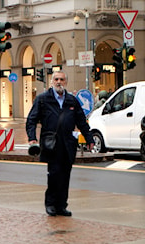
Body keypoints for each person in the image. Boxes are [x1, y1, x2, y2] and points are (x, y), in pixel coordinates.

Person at [26, 70, 94, 217]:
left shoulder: (72, 100)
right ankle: (50, 204)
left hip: (68, 144)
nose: (59, 82)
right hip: (51, 143)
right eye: (56, 79)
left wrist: (89, 139)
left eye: (62, 80)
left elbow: (81, 121)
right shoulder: (43, 99)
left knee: (65, 175)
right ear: (52, 82)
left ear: (66, 82)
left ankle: (62, 205)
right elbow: (31, 120)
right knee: (54, 174)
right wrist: (32, 138)